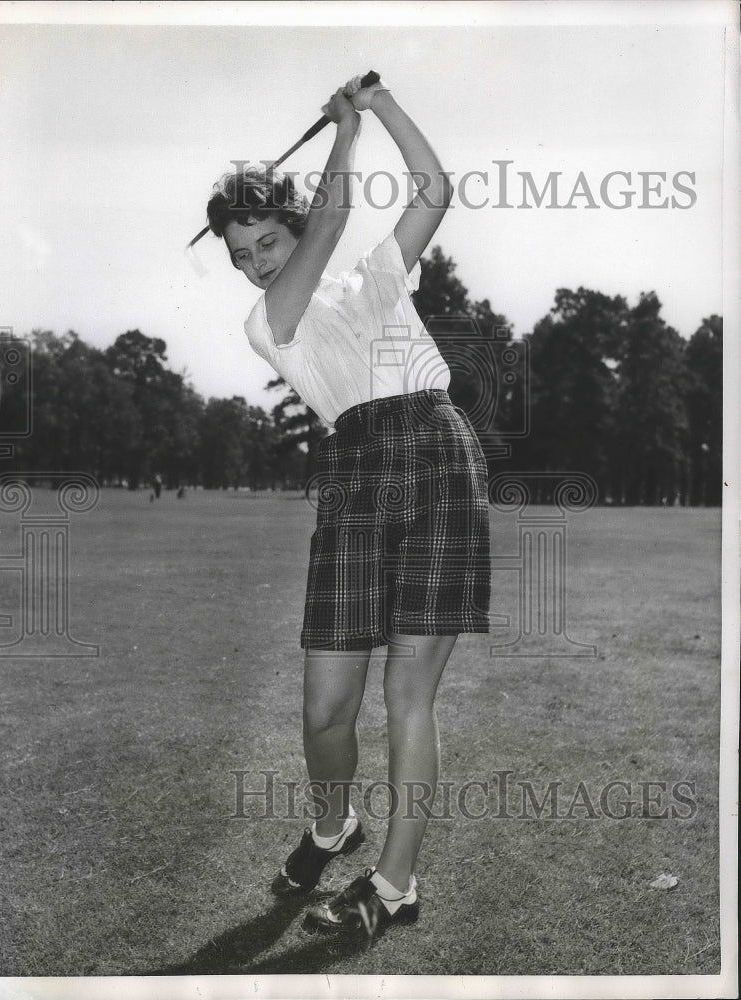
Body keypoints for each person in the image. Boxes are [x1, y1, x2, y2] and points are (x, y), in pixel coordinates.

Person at [205, 75, 490, 942]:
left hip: (439, 453)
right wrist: (342, 132)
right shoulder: (269, 322)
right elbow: (328, 221)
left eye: (266, 241)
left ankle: (394, 887)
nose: (257, 264)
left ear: (286, 227)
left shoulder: (378, 274)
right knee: (324, 710)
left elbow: (434, 190)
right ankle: (334, 826)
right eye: (242, 255)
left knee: (409, 693)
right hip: (356, 471)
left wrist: (381, 103)